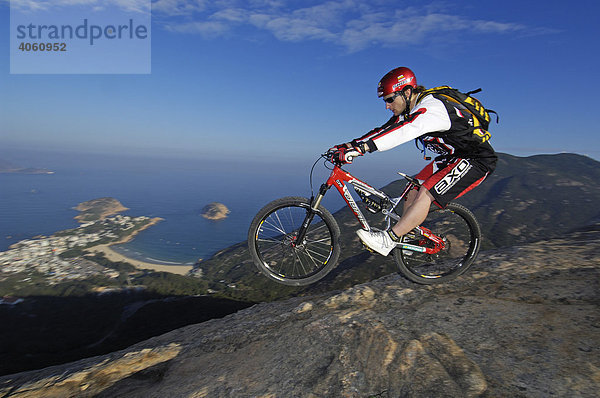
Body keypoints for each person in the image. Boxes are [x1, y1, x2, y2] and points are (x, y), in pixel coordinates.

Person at [331, 66, 497, 256]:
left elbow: (403, 131)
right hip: (453, 157)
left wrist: (361, 149)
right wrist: (347, 146)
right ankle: (408, 237)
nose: (387, 105)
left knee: (426, 193)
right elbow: (383, 131)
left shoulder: (431, 108)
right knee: (412, 189)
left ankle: (389, 240)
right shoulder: (411, 110)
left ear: (407, 92)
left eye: (390, 99)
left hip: (476, 160)